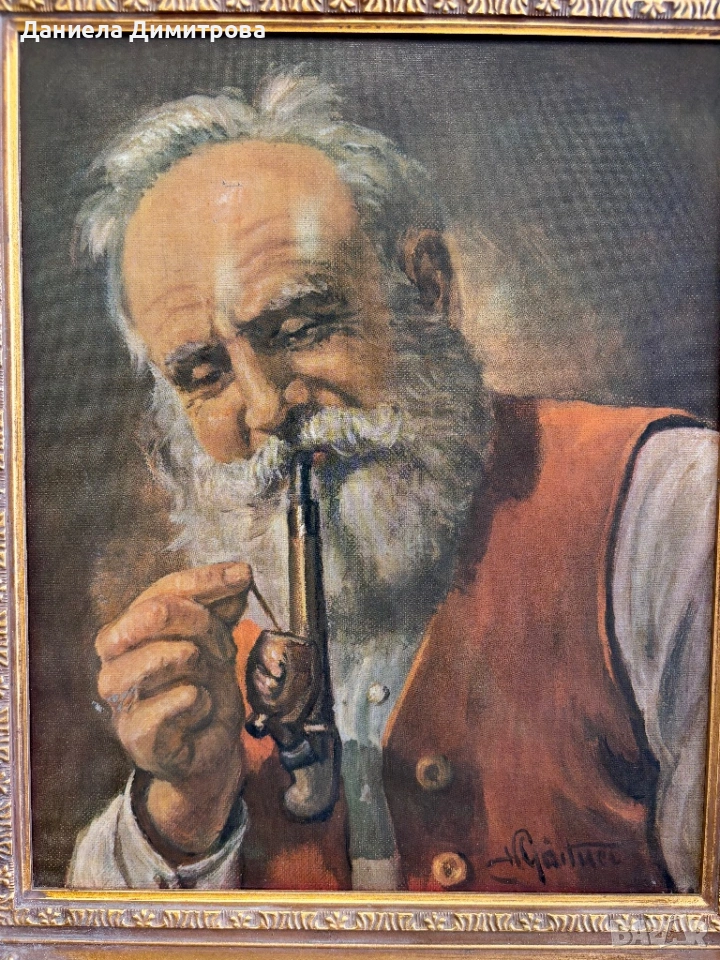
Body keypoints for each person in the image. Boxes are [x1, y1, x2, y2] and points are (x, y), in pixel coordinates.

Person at [68, 73, 717, 894]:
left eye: (300, 326)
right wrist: (183, 814)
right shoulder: (205, 658)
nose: (266, 410)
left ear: (427, 288)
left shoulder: (670, 510)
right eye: (205, 373)